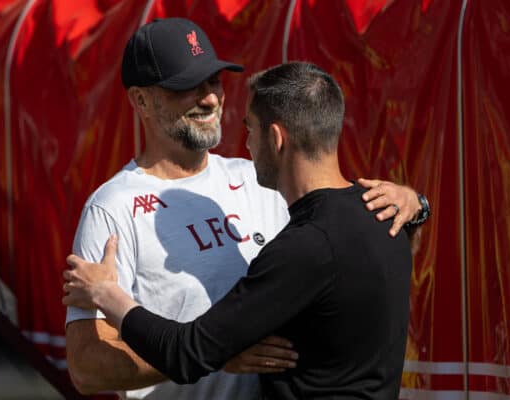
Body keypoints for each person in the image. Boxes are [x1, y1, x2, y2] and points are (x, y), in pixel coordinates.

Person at [64, 18, 429, 399]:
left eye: (214, 82)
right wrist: (216, 352)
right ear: (141, 100)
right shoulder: (112, 208)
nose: (209, 98)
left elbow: (345, 238)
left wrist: (412, 203)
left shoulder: (261, 181)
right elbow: (87, 368)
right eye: (187, 87)